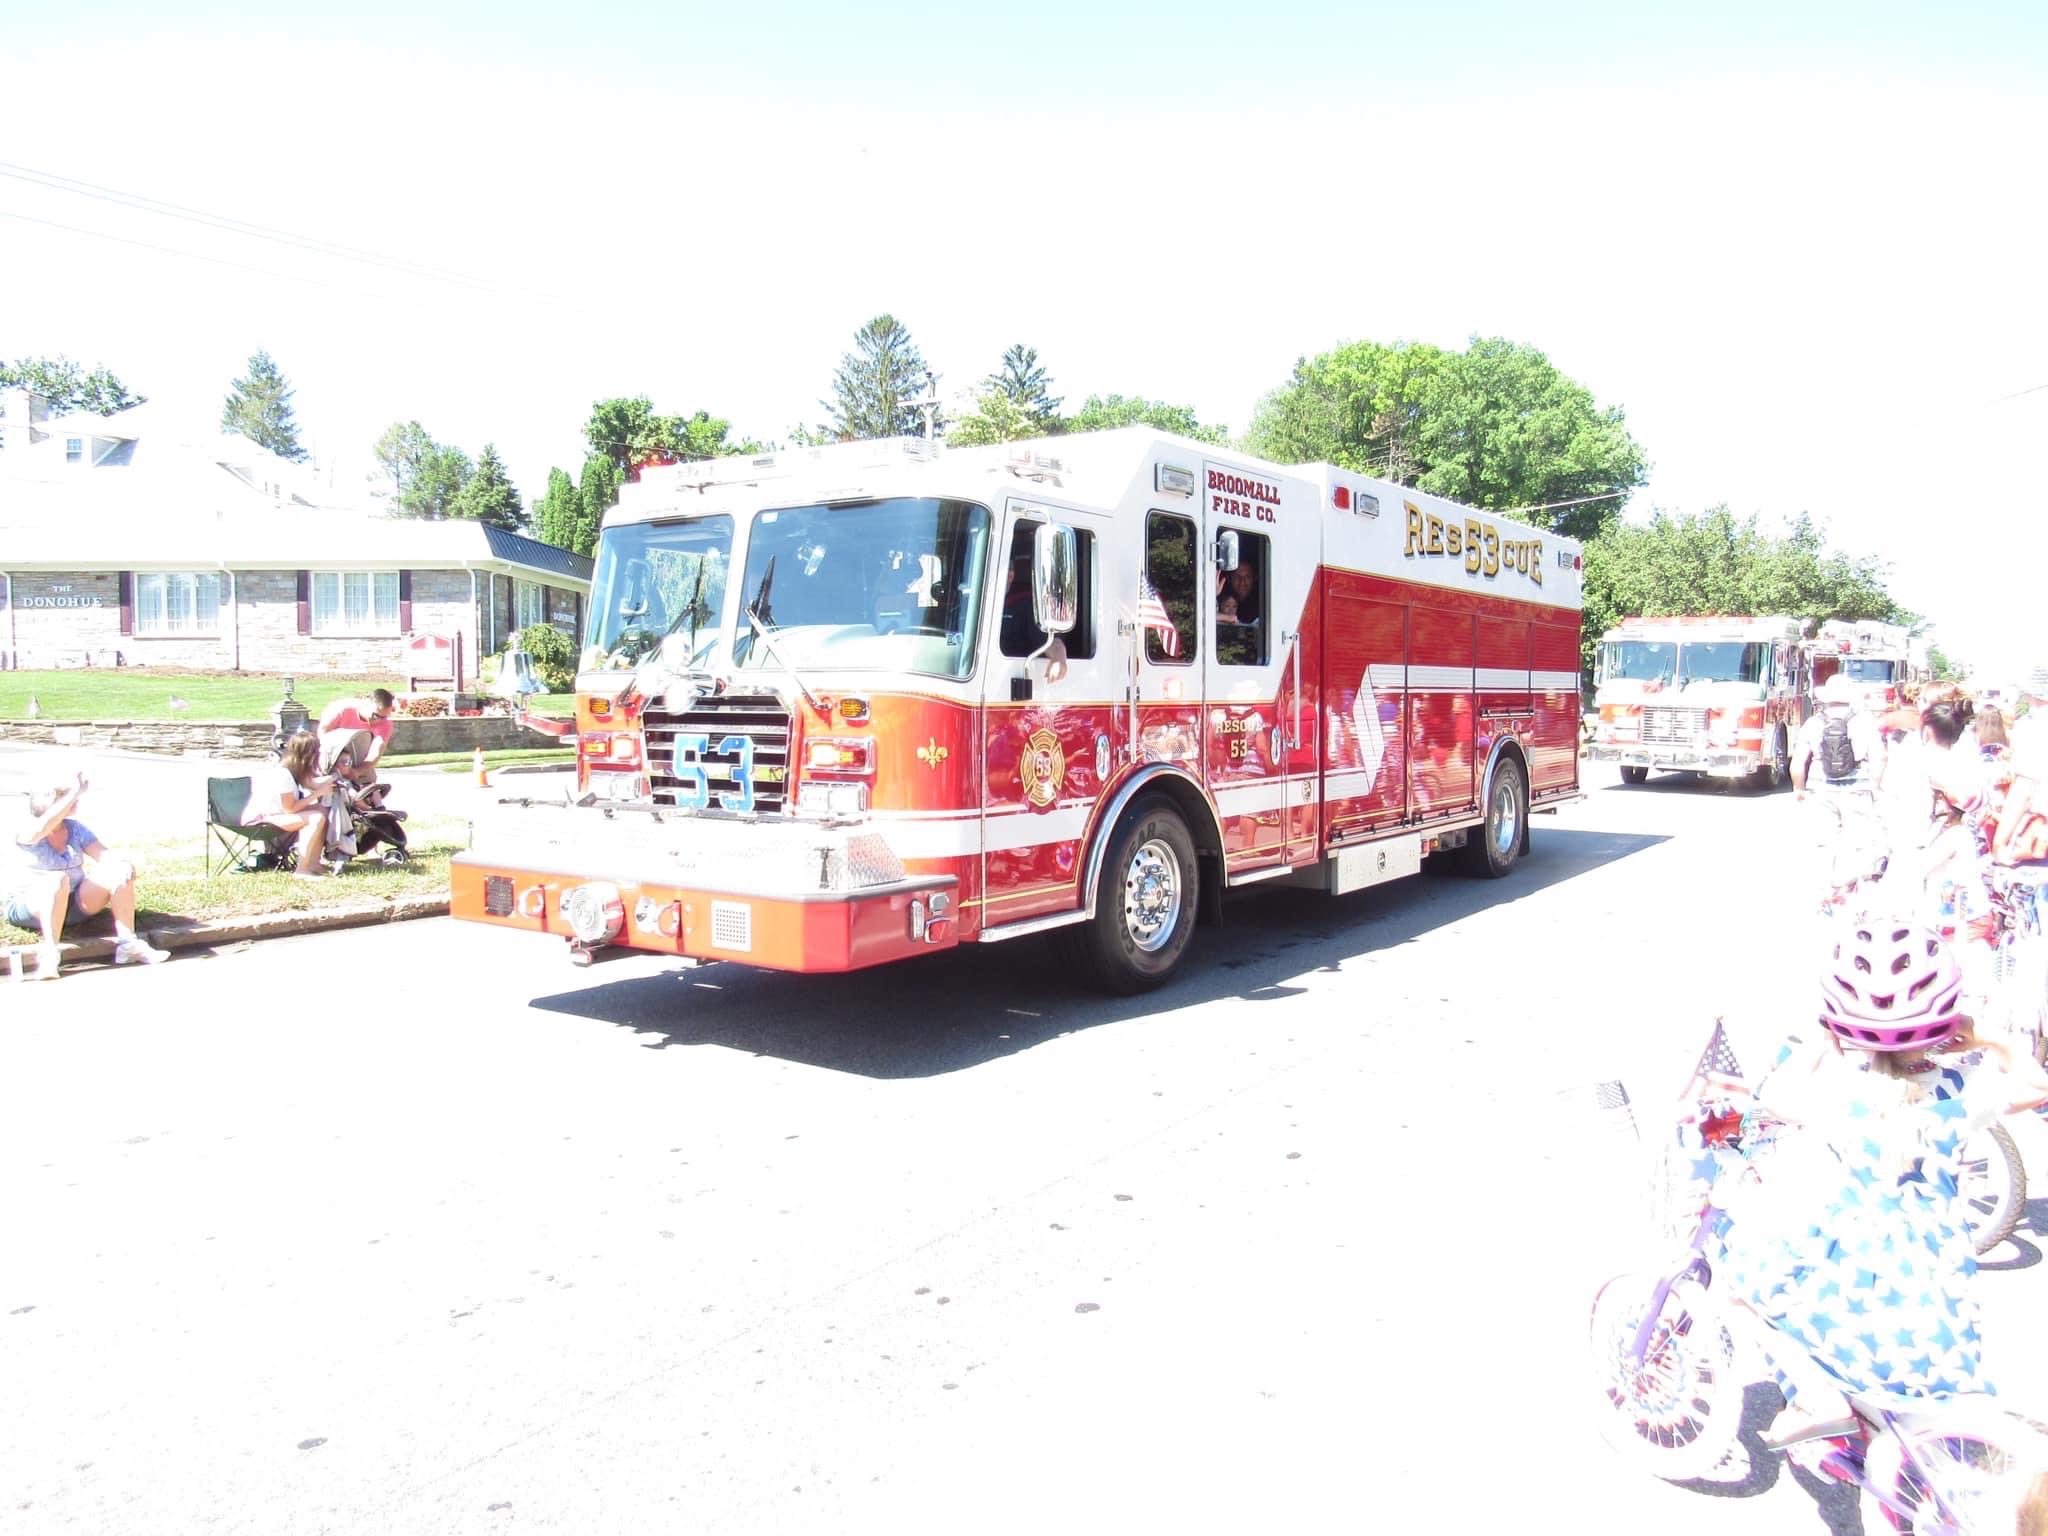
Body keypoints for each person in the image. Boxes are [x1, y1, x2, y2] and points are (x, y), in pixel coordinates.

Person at [1717, 921, 2048, 1446]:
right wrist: (1986, 1035)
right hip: (1941, 1306)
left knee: (1738, 1279)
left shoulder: (1833, 1095)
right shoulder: (1958, 1094)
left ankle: (1816, 1395)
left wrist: (1824, 1036)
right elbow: (2035, 1083)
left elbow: (1774, 1095)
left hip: (1855, 1293)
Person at [3, 771, 169, 974]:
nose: (75, 801)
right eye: (67, 798)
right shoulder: (28, 828)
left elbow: (103, 854)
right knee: (56, 879)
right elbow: (43, 827)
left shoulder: (75, 829)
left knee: (118, 870)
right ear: (52, 802)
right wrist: (73, 792)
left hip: (73, 904)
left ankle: (128, 944)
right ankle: (50, 953)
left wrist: (121, 862)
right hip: (29, 907)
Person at [1792, 672, 1887, 895]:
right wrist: (1875, 784)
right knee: (1858, 839)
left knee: (1825, 840)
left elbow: (1798, 761)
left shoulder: (1813, 723)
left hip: (1820, 787)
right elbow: (1880, 756)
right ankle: (1853, 890)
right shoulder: (1865, 721)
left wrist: (1799, 787)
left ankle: (1826, 888)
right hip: (1858, 788)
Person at [247, 730, 343, 880]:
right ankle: (302, 869)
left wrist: (336, 777)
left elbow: (311, 783)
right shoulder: (283, 775)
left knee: (323, 811)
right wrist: (317, 794)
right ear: (308, 755)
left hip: (278, 815)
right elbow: (290, 808)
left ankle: (313, 863)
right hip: (261, 820)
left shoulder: (293, 769)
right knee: (316, 818)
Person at [317, 687, 396, 792]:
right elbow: (323, 734)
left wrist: (357, 772)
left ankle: (369, 799)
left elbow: (375, 754)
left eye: (384, 717)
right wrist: (336, 760)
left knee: (368, 778)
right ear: (367, 703)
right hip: (331, 753)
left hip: (359, 756)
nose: (379, 720)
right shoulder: (342, 709)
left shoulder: (385, 724)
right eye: (375, 715)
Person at [1216, 558, 1261, 626]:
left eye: (1247, 577)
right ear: (1229, 578)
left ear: (1254, 578)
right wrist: (1213, 595)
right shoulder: (1222, 597)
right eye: (1237, 577)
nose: (1242, 582)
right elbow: (1201, 615)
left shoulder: (1262, 601)